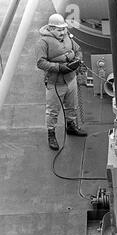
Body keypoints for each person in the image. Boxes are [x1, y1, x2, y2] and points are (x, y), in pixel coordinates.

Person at [35, 13, 87, 151]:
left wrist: (77, 60)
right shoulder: (42, 43)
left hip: (70, 79)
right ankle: (51, 134)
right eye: (59, 30)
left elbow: (78, 50)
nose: (63, 32)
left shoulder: (67, 37)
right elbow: (40, 62)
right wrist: (59, 67)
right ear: (51, 29)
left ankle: (71, 126)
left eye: (64, 29)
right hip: (55, 83)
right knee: (52, 111)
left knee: (72, 106)